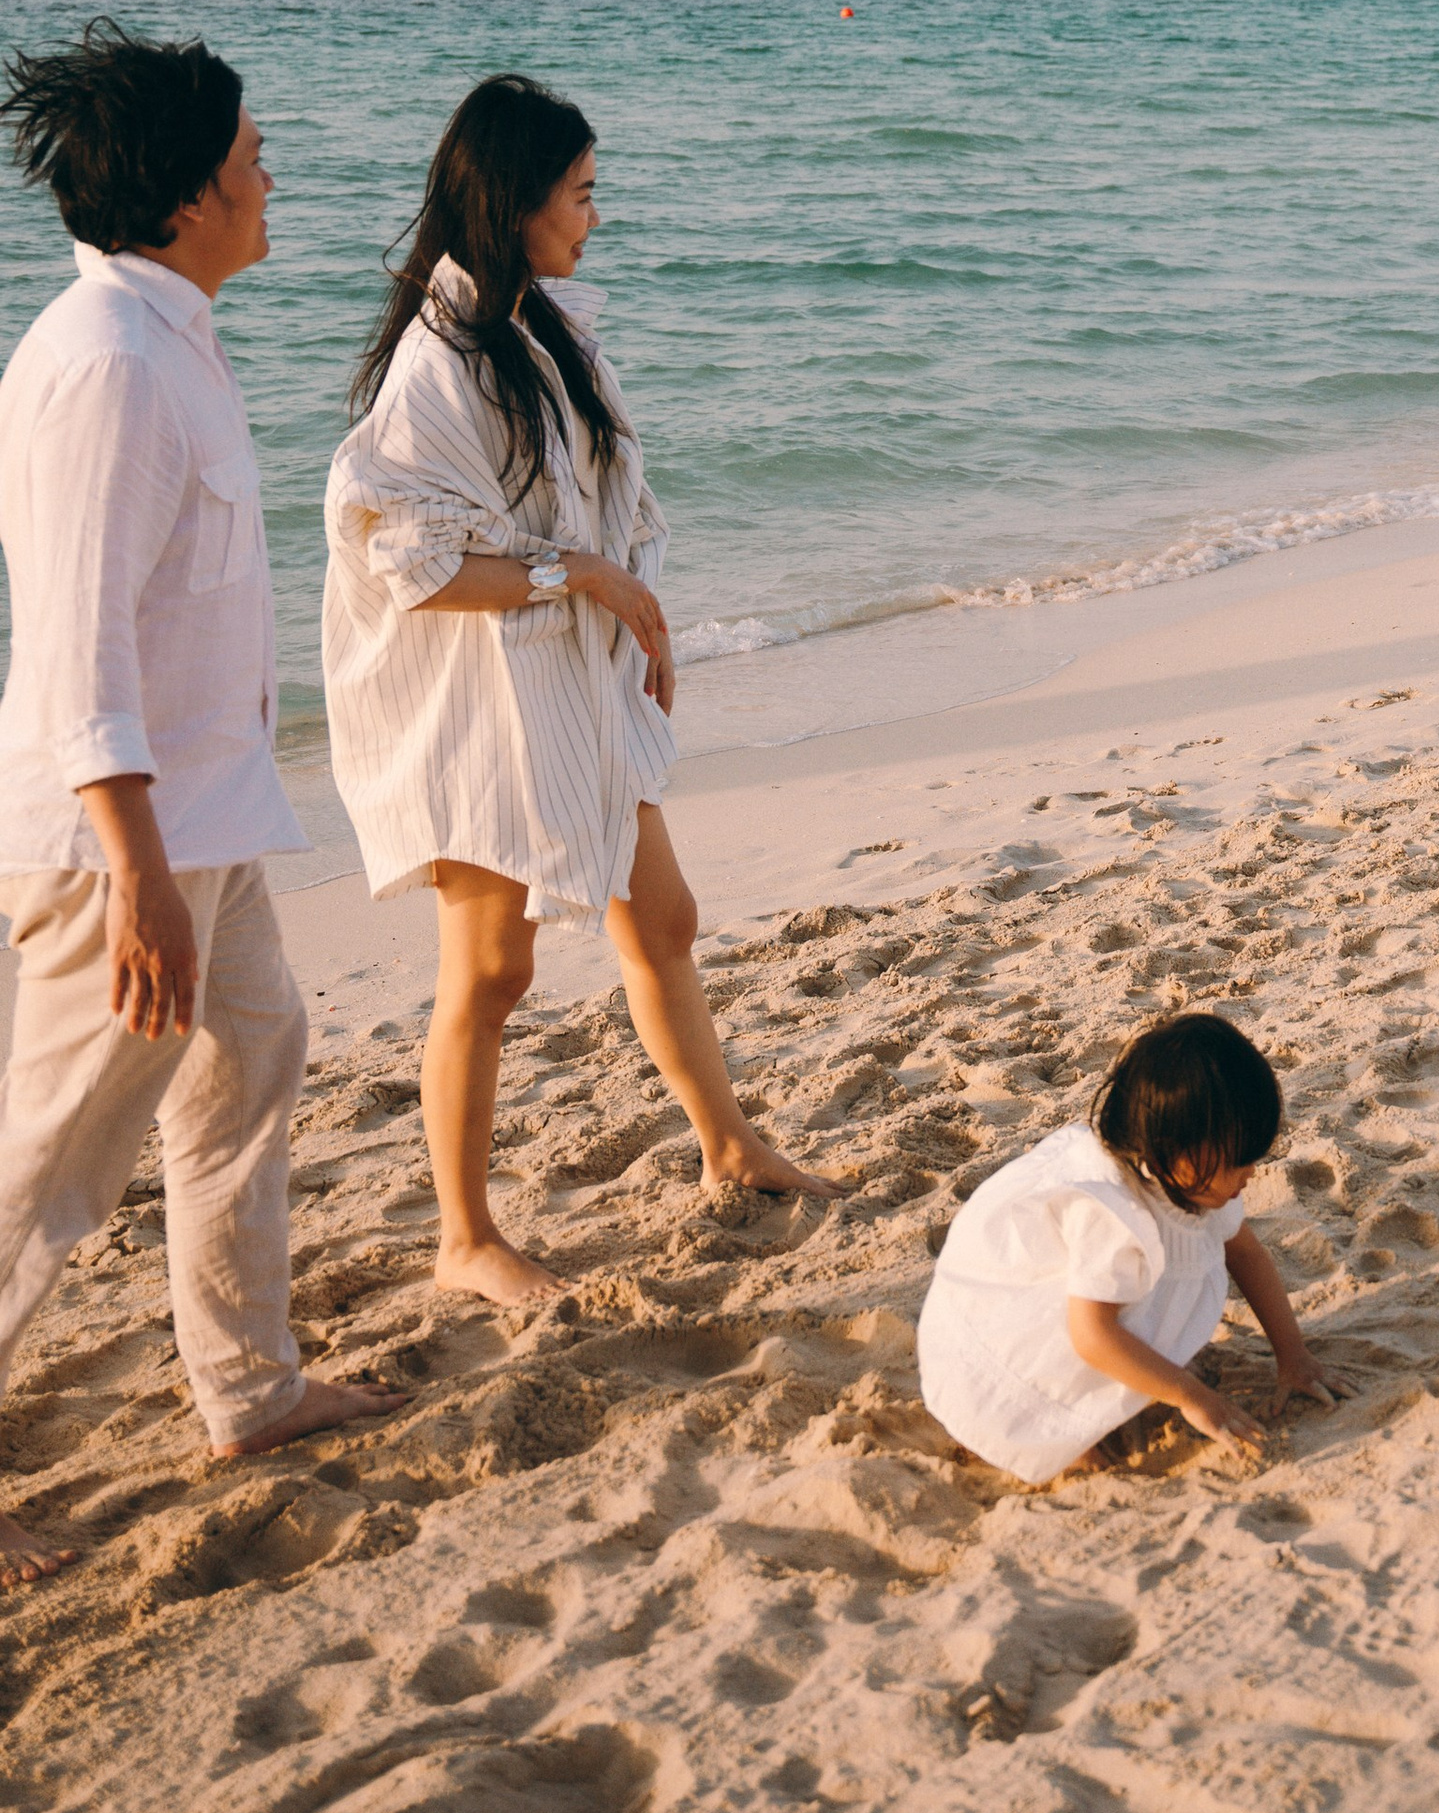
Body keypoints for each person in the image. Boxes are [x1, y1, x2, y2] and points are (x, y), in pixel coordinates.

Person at [323, 75, 845, 1306]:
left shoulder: (537, 325)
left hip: (566, 691)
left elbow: (604, 500)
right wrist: (590, 579)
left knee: (660, 917)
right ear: (515, 203)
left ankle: (729, 1144)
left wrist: (629, 604)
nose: (594, 218)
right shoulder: (438, 361)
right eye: (581, 195)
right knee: (490, 971)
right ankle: (463, 1236)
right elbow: (414, 561)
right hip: (481, 711)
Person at [0, 23, 398, 1587]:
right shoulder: (104, 364)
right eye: (248, 157)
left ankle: (251, 1386)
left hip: (207, 816)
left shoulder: (172, 334)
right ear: (183, 196)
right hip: (124, 844)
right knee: (52, 1156)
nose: (269, 174)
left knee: (251, 1058)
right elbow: (78, 647)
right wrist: (137, 870)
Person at [918, 1012, 1339, 1482]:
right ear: (1170, 1152)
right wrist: (1192, 1397)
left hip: (1088, 1314)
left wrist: (1294, 1357)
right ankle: (1046, 1431)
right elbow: (1093, 1336)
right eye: (1238, 1161)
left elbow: (1246, 1255)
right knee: (1068, 1411)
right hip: (1022, 1326)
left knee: (1139, 1304)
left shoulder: (1195, 1185)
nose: (1251, 1174)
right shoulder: (1111, 1215)